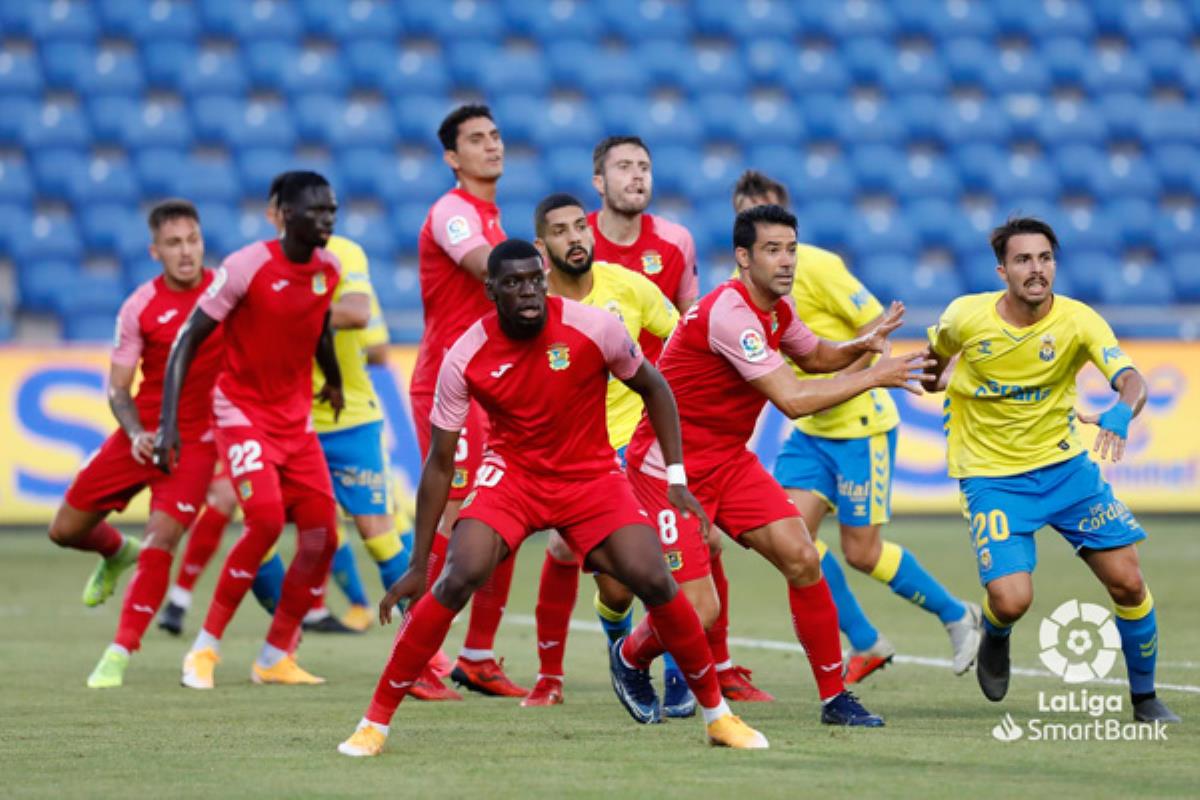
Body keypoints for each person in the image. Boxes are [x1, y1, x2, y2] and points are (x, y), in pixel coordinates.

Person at [337, 240, 768, 757]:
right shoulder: (466, 354)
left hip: (590, 477)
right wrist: (415, 562)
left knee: (654, 576)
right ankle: (374, 723)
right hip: (513, 478)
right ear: (490, 289)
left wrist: (676, 473)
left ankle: (718, 717)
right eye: (513, 282)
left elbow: (656, 388)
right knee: (458, 574)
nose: (528, 291)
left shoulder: (596, 328)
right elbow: (440, 464)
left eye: (534, 280)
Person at [623, 204, 936, 727]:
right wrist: (874, 375)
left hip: (727, 460)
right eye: (772, 250)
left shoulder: (776, 310)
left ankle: (835, 698)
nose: (786, 260)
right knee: (699, 613)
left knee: (802, 556)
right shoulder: (731, 313)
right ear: (743, 258)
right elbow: (792, 398)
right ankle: (631, 656)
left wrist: (862, 344)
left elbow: (815, 357)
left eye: (791, 248)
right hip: (668, 471)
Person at [924, 216, 1179, 723]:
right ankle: (995, 632)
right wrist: (941, 379)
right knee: (1013, 599)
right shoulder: (966, 318)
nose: (1036, 270)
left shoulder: (1079, 320)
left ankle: (1145, 699)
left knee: (1128, 580)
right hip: (992, 477)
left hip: (1067, 472)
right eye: (1023, 260)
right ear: (1002, 270)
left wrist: (1122, 411)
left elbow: (1131, 379)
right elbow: (934, 367)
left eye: (1044, 258)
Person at [733, 171, 982, 683]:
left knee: (861, 552)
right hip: (811, 427)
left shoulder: (820, 268)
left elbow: (875, 327)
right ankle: (866, 641)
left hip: (859, 426)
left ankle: (958, 615)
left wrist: (845, 380)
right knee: (790, 540)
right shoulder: (743, 288)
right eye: (746, 214)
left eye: (770, 217)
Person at [156, 171, 344, 689]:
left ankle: (274, 655)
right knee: (263, 520)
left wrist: (333, 378)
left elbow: (320, 322)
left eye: (331, 210)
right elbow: (188, 339)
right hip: (241, 414)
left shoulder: (330, 267)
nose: (326, 219)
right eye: (315, 211)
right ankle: (205, 649)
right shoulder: (247, 266)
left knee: (321, 536)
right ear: (284, 215)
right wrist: (169, 421)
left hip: (295, 421)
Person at [47, 200, 221, 688]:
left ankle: (120, 651)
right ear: (155, 251)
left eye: (192, 240)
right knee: (63, 530)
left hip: (197, 443)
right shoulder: (140, 305)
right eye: (173, 244)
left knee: (161, 540)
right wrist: (136, 434)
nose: (186, 252)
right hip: (141, 434)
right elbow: (118, 388)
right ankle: (113, 552)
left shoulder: (226, 293)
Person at [521, 193, 679, 709]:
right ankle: (578, 666)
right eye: (561, 232)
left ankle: (681, 676)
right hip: (579, 457)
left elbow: (681, 338)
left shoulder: (628, 287)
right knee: (611, 586)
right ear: (543, 247)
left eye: (579, 229)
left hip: (640, 447)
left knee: (674, 558)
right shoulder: (530, 303)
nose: (575, 239)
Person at [409, 104, 524, 700]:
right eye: (476, 139)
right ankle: (418, 654)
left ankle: (476, 655)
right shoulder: (454, 213)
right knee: (454, 522)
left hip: (496, 389)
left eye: (496, 135)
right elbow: (487, 269)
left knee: (507, 514)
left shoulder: (492, 218)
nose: (492, 146)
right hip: (448, 387)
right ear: (452, 157)